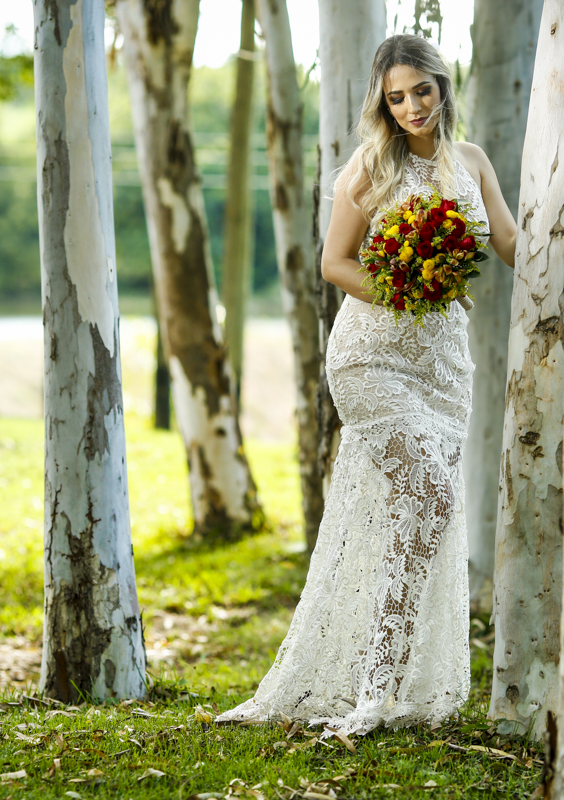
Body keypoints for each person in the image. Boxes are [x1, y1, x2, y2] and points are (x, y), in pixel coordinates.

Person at [215, 34, 517, 737]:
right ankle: (374, 691)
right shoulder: (370, 167)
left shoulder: (472, 163)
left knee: (418, 519)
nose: (412, 106)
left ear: (443, 87)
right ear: (383, 104)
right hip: (370, 357)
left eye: (422, 90)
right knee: (432, 497)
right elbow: (334, 262)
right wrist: (405, 289)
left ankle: (384, 683)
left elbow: (508, 240)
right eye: (396, 96)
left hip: (445, 370)